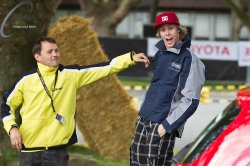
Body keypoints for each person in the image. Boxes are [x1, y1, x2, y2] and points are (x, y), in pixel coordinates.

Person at [0, 36, 150, 166]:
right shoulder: (25, 80)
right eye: (50, 51)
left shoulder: (70, 75)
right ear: (37, 56)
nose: (55, 54)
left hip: (57, 152)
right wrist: (12, 129)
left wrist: (129, 59)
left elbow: (105, 68)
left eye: (56, 50)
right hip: (29, 152)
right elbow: (6, 105)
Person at [130, 12, 206, 166]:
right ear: (159, 33)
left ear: (178, 30)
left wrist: (166, 126)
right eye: (163, 30)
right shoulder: (160, 54)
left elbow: (191, 100)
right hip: (143, 119)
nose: (167, 33)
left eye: (170, 28)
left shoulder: (190, 59)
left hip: (161, 125)